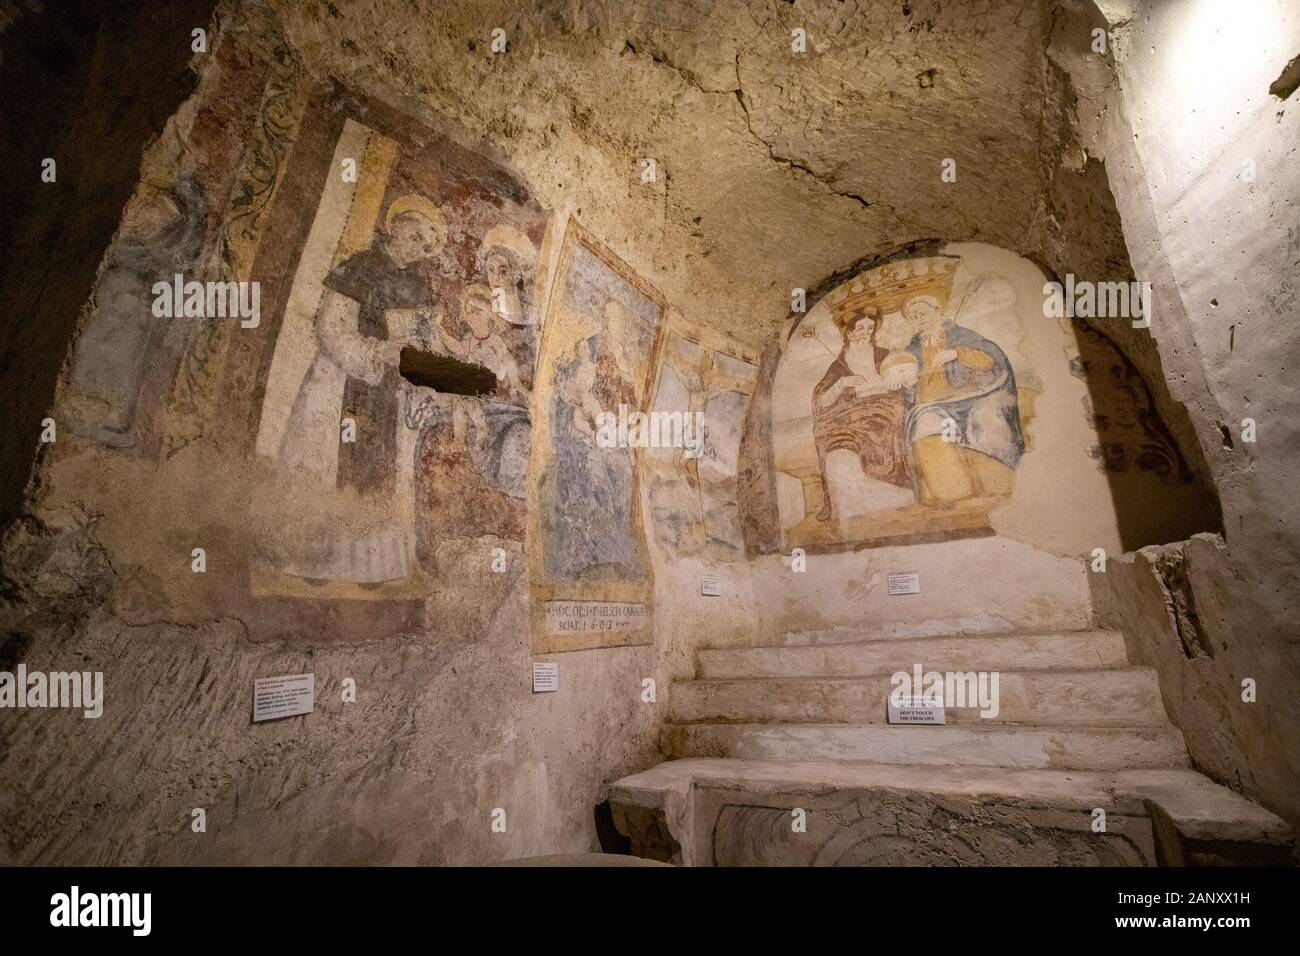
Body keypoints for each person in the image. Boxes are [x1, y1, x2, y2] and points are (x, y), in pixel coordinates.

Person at [900, 294, 1024, 507]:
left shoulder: (961, 336)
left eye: (924, 312)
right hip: (931, 405)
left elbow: (991, 360)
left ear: (938, 312)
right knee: (926, 427)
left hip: (973, 399)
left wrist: (957, 353)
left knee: (987, 421)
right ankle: (953, 494)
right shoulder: (911, 350)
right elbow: (905, 382)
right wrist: (908, 383)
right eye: (915, 315)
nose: (920, 317)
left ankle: (999, 489)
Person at [811, 306, 917, 521]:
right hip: (852, 409)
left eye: (870, 328)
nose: (865, 332)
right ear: (849, 333)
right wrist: (842, 383)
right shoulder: (838, 364)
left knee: (886, 423)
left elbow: (906, 375)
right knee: (824, 430)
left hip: (885, 404)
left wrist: (899, 381)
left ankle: (895, 484)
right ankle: (837, 500)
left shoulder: (884, 354)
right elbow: (819, 398)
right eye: (860, 328)